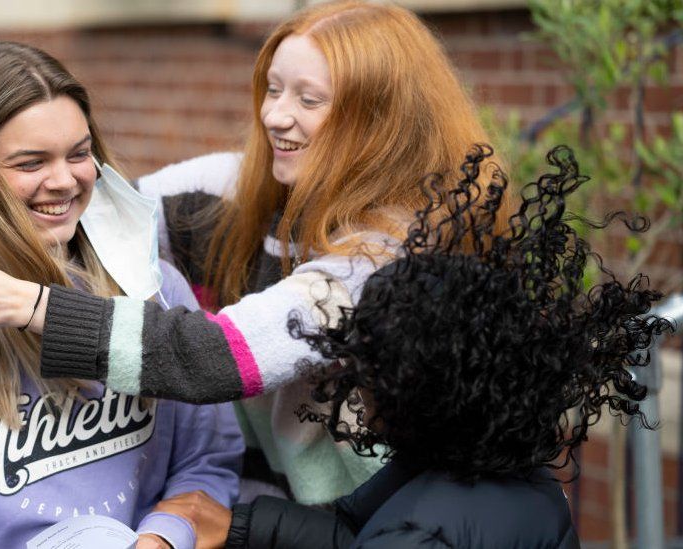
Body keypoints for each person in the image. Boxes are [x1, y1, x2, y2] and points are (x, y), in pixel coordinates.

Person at [0, 0, 505, 506]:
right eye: (273, 88)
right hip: (257, 496)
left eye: (309, 100)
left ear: (379, 121)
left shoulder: (384, 256)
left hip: (374, 514)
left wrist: (27, 304)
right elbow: (75, 204)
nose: (276, 117)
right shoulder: (228, 189)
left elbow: (212, 359)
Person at [0, 41, 243, 549]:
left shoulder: (153, 288)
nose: (63, 181)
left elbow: (207, 462)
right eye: (31, 162)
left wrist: (165, 538)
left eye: (79, 154)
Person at [208, 145, 670, 547]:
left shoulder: (421, 530)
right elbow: (356, 532)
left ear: (414, 395)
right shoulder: (505, 470)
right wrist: (242, 527)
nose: (357, 385)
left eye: (367, 371)